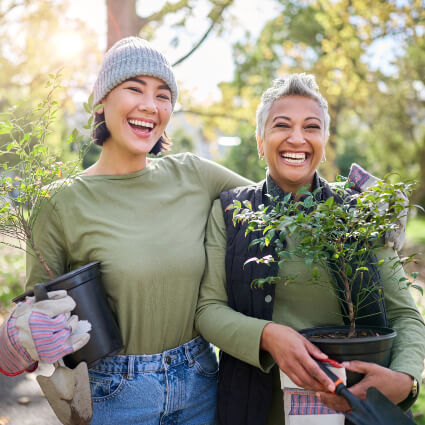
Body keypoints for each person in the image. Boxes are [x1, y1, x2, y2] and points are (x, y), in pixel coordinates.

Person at [0, 36, 251, 425]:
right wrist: (25, 332)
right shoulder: (60, 202)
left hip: (202, 381)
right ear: (101, 102)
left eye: (163, 95)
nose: (150, 105)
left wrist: (359, 200)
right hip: (113, 396)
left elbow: (272, 205)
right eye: (135, 88)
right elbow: (31, 315)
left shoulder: (196, 175)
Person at [195, 73, 425, 425]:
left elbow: (404, 313)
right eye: (281, 125)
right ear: (260, 141)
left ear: (325, 140)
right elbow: (208, 309)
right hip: (254, 407)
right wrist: (268, 336)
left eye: (311, 127)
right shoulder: (229, 213)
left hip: (354, 406)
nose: (297, 138)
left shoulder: (360, 212)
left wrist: (406, 378)